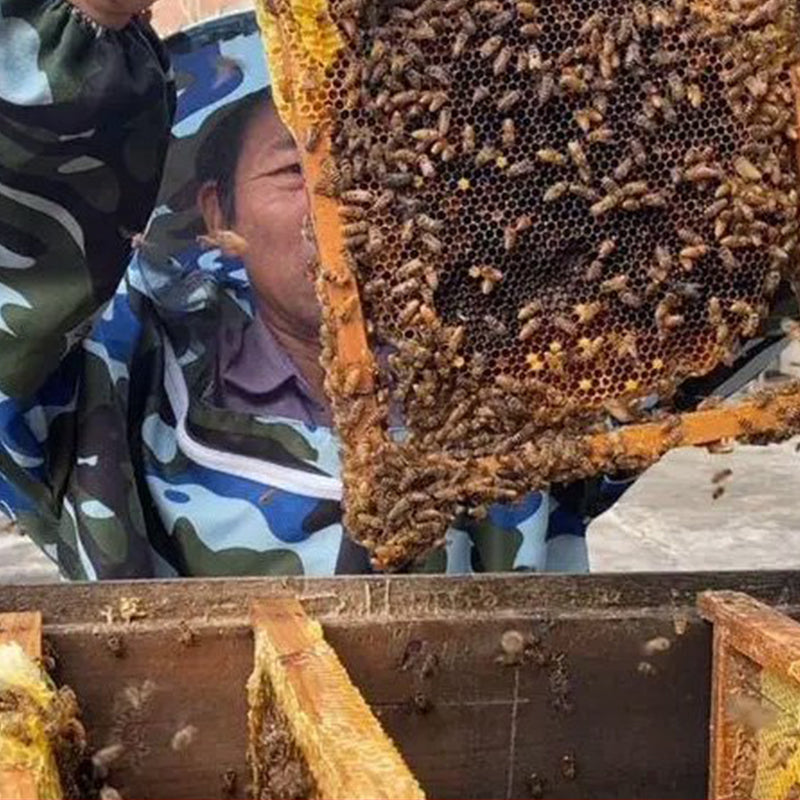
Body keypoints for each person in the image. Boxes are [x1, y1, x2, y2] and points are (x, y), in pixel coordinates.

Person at [0, 0, 788, 580]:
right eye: (293, 169)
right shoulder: (110, 394)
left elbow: (736, 270)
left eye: (380, 166)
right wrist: (78, 28)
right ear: (217, 209)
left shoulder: (533, 371)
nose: (347, 206)